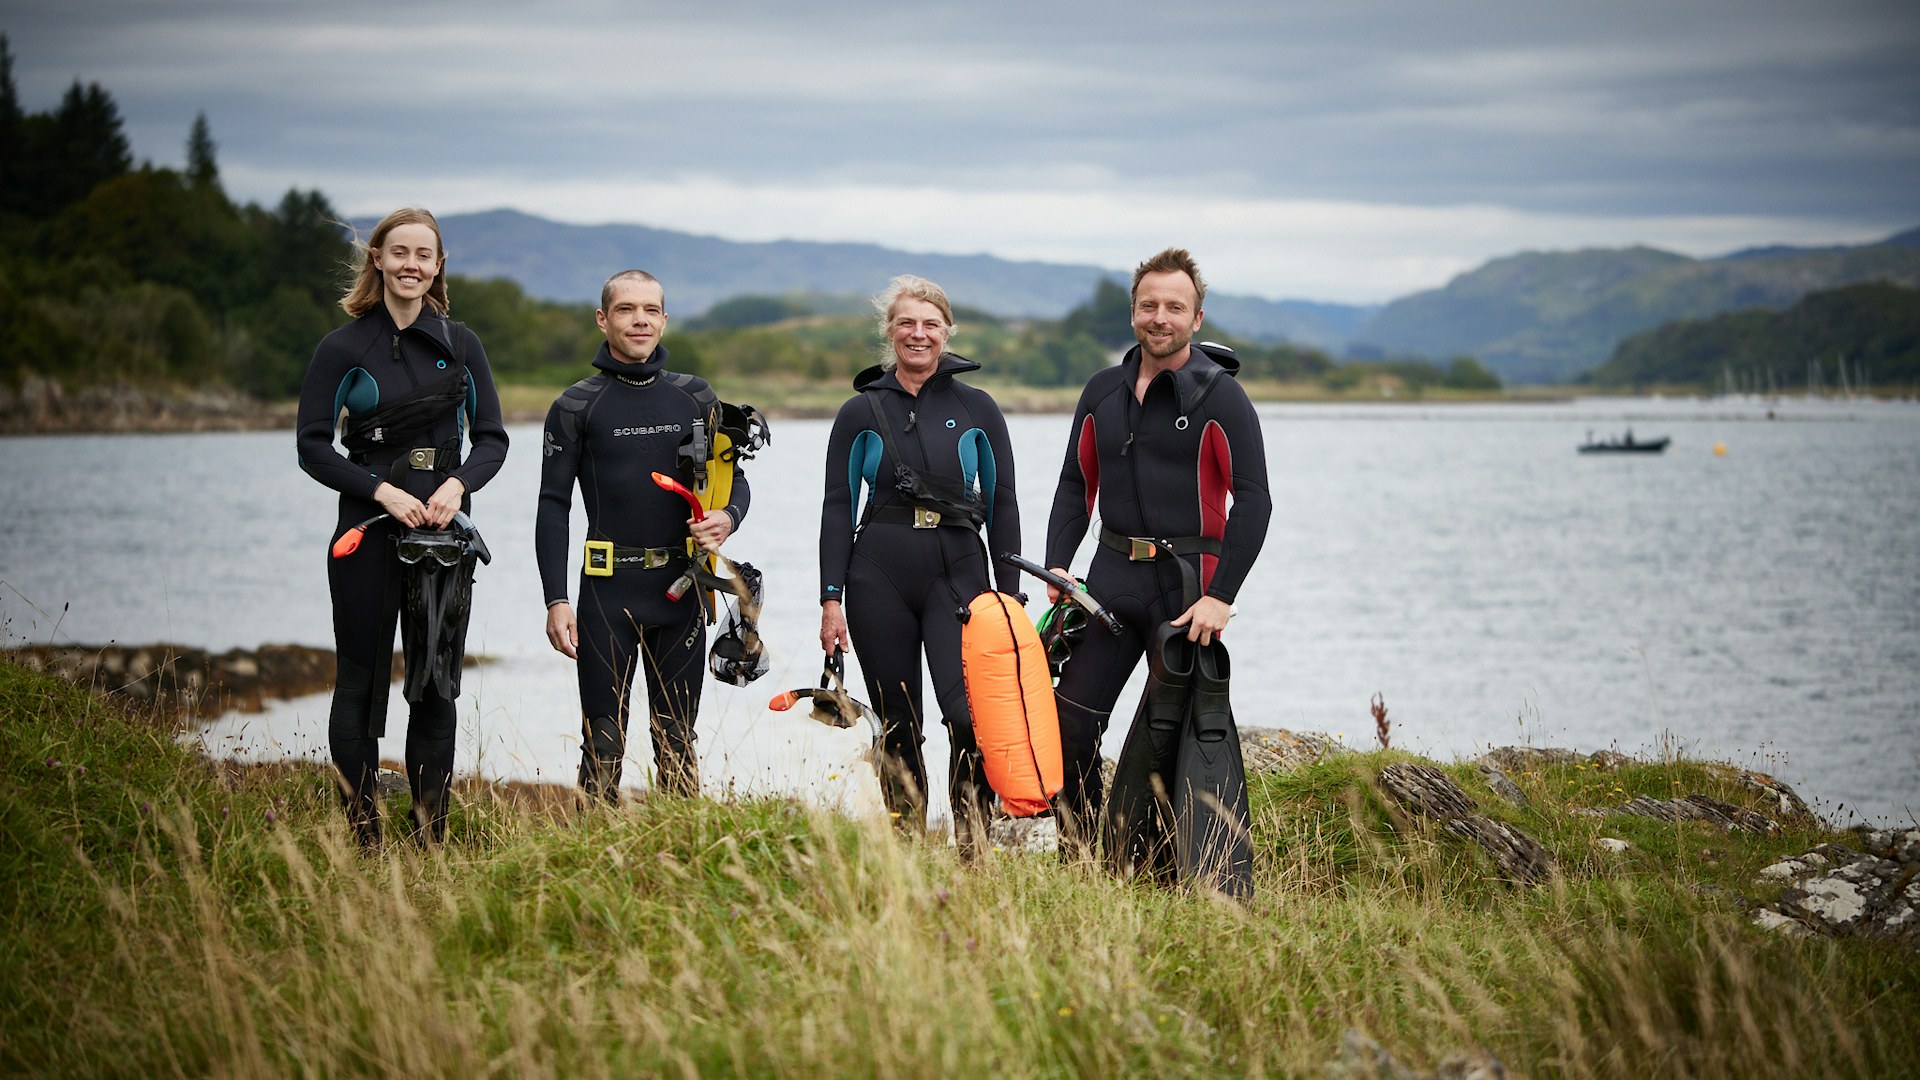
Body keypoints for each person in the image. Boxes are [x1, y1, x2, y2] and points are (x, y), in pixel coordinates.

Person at [1043, 248, 1272, 860]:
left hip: (1187, 586)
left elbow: (1254, 501)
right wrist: (1058, 563)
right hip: (1110, 578)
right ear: (1133, 312)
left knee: (1169, 738)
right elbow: (1075, 482)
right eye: (1149, 305)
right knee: (1068, 726)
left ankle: (1167, 869)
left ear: (1197, 319)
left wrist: (1221, 596)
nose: (1160, 317)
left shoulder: (1223, 399)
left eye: (1175, 307)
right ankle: (1086, 856)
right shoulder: (1101, 392)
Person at [296, 207, 510, 846]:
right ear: (378, 261)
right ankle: (364, 835)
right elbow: (312, 446)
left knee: (436, 686)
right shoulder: (343, 348)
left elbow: (493, 440)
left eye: (424, 255)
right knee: (358, 682)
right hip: (366, 528)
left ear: (438, 266)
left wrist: (457, 485)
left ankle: (429, 837)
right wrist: (381, 492)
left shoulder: (462, 344)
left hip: (444, 537)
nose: (411, 265)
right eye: (399, 253)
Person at [818, 275, 1022, 858]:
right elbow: (838, 508)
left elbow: (1002, 501)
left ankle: (973, 852)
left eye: (931, 324)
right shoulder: (860, 411)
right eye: (907, 322)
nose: (918, 333)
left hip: (958, 573)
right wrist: (830, 598)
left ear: (947, 333)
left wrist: (1008, 596)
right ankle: (905, 854)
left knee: (969, 719)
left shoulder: (976, 407)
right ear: (890, 331)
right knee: (898, 723)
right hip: (876, 576)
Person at [537, 270, 745, 801]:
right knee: (602, 741)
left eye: (651, 310)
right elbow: (553, 505)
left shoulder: (695, 397)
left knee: (676, 737)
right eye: (627, 309)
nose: (640, 320)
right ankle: (591, 859)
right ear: (603, 319)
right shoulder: (576, 405)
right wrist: (556, 600)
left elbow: (734, 480)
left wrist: (728, 518)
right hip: (607, 593)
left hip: (681, 590)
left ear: (664, 319)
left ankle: (683, 862)